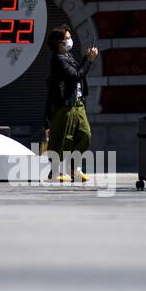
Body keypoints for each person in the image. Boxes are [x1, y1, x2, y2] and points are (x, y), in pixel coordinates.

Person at [43, 25, 97, 183]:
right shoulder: (58, 59)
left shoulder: (67, 55)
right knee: (62, 137)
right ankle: (55, 171)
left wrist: (86, 58)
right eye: (67, 38)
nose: (70, 40)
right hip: (65, 104)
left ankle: (74, 168)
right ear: (59, 42)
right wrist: (90, 60)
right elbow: (75, 75)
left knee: (85, 134)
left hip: (78, 102)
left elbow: (78, 72)